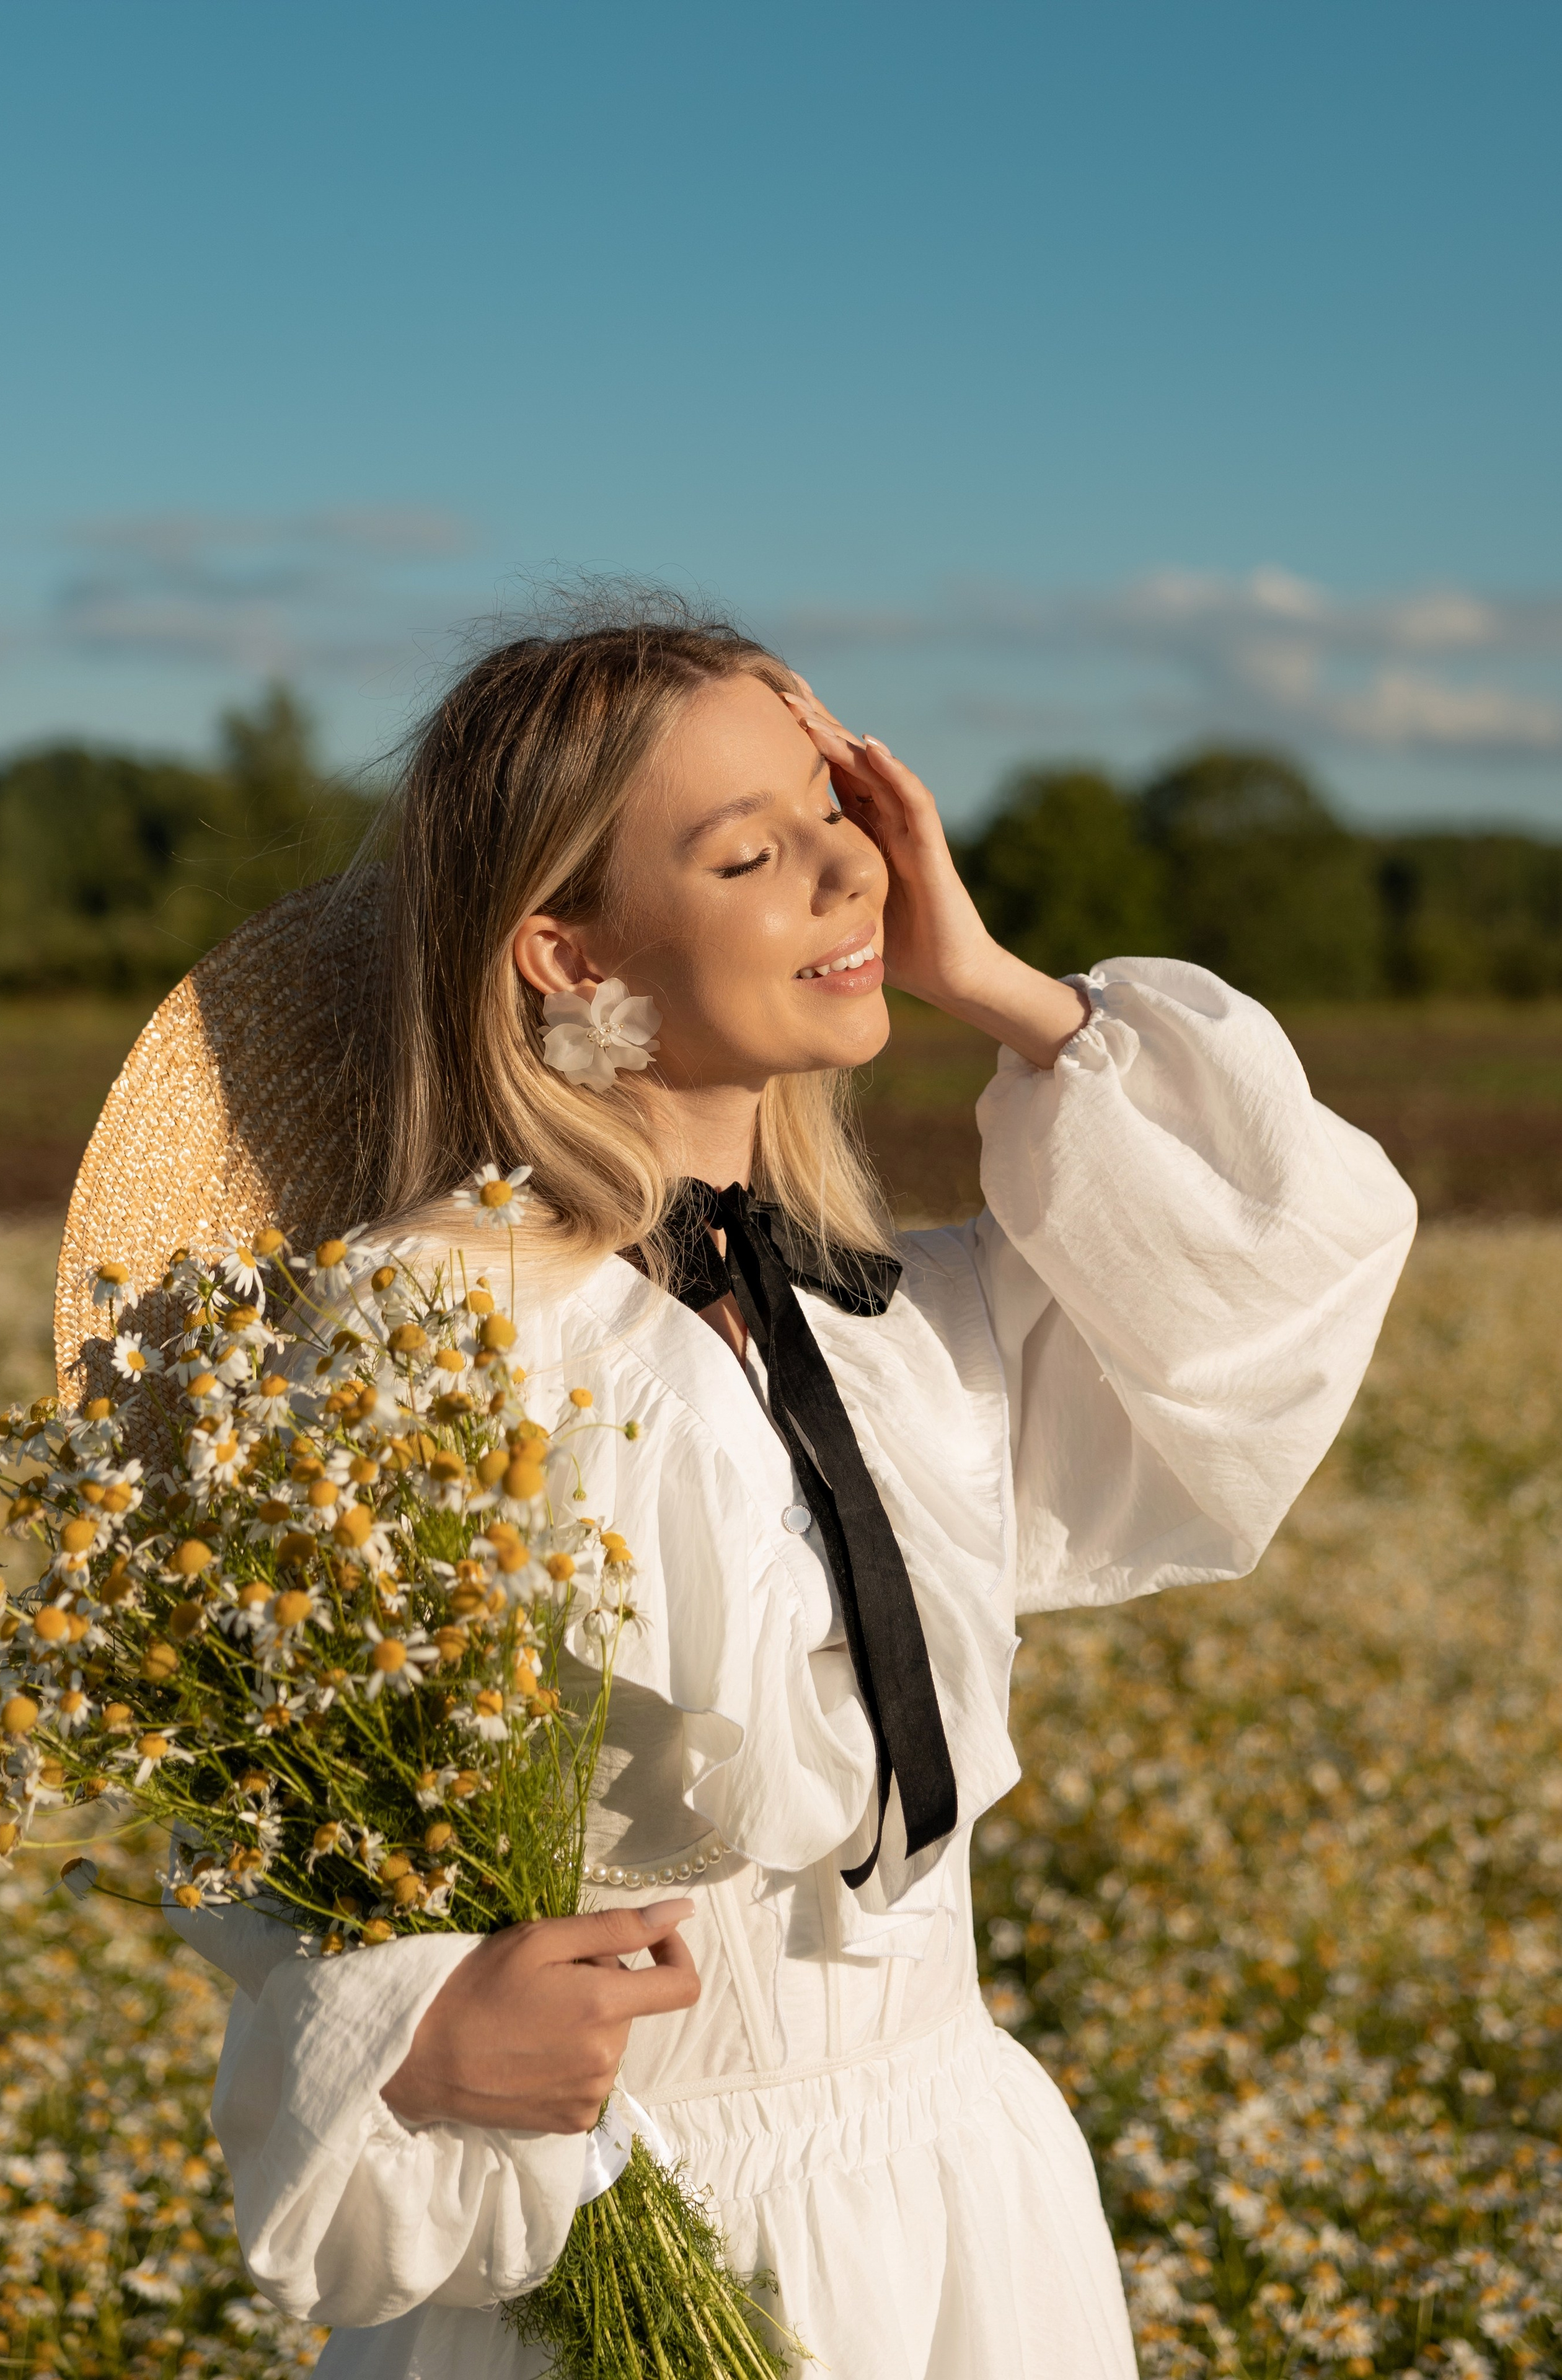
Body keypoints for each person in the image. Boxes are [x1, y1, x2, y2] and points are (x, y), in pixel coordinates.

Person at [161, 606, 1416, 2379]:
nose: (849, 872)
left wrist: (996, 983)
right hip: (611, 2232)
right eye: (750, 852)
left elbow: (1284, 1265)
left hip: (965, 2209)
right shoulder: (423, 1331)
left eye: (839, 815)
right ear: (565, 953)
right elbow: (265, 1822)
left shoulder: (900, 1324)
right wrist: (414, 2025)